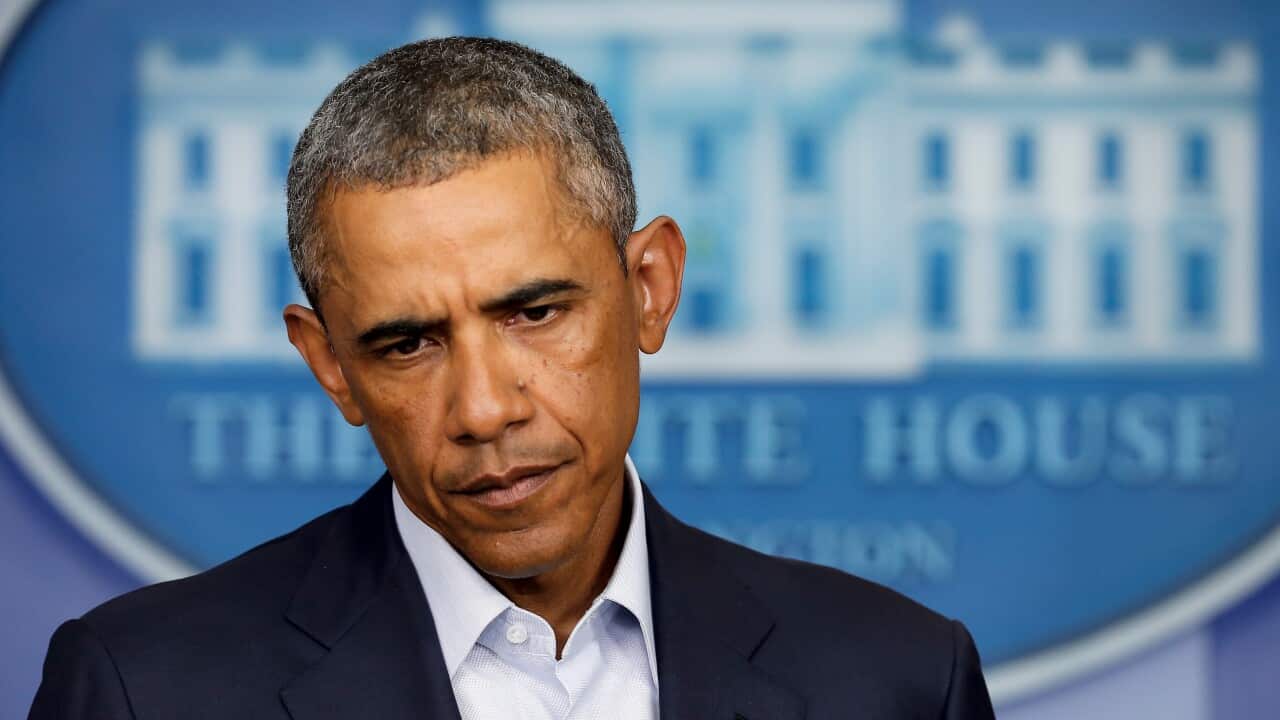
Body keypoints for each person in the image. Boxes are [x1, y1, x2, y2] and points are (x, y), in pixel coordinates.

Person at [29, 37, 995, 719]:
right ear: (331, 368)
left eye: (533, 314)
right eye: (407, 344)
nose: (485, 409)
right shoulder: (143, 690)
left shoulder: (900, 680)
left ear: (650, 289)